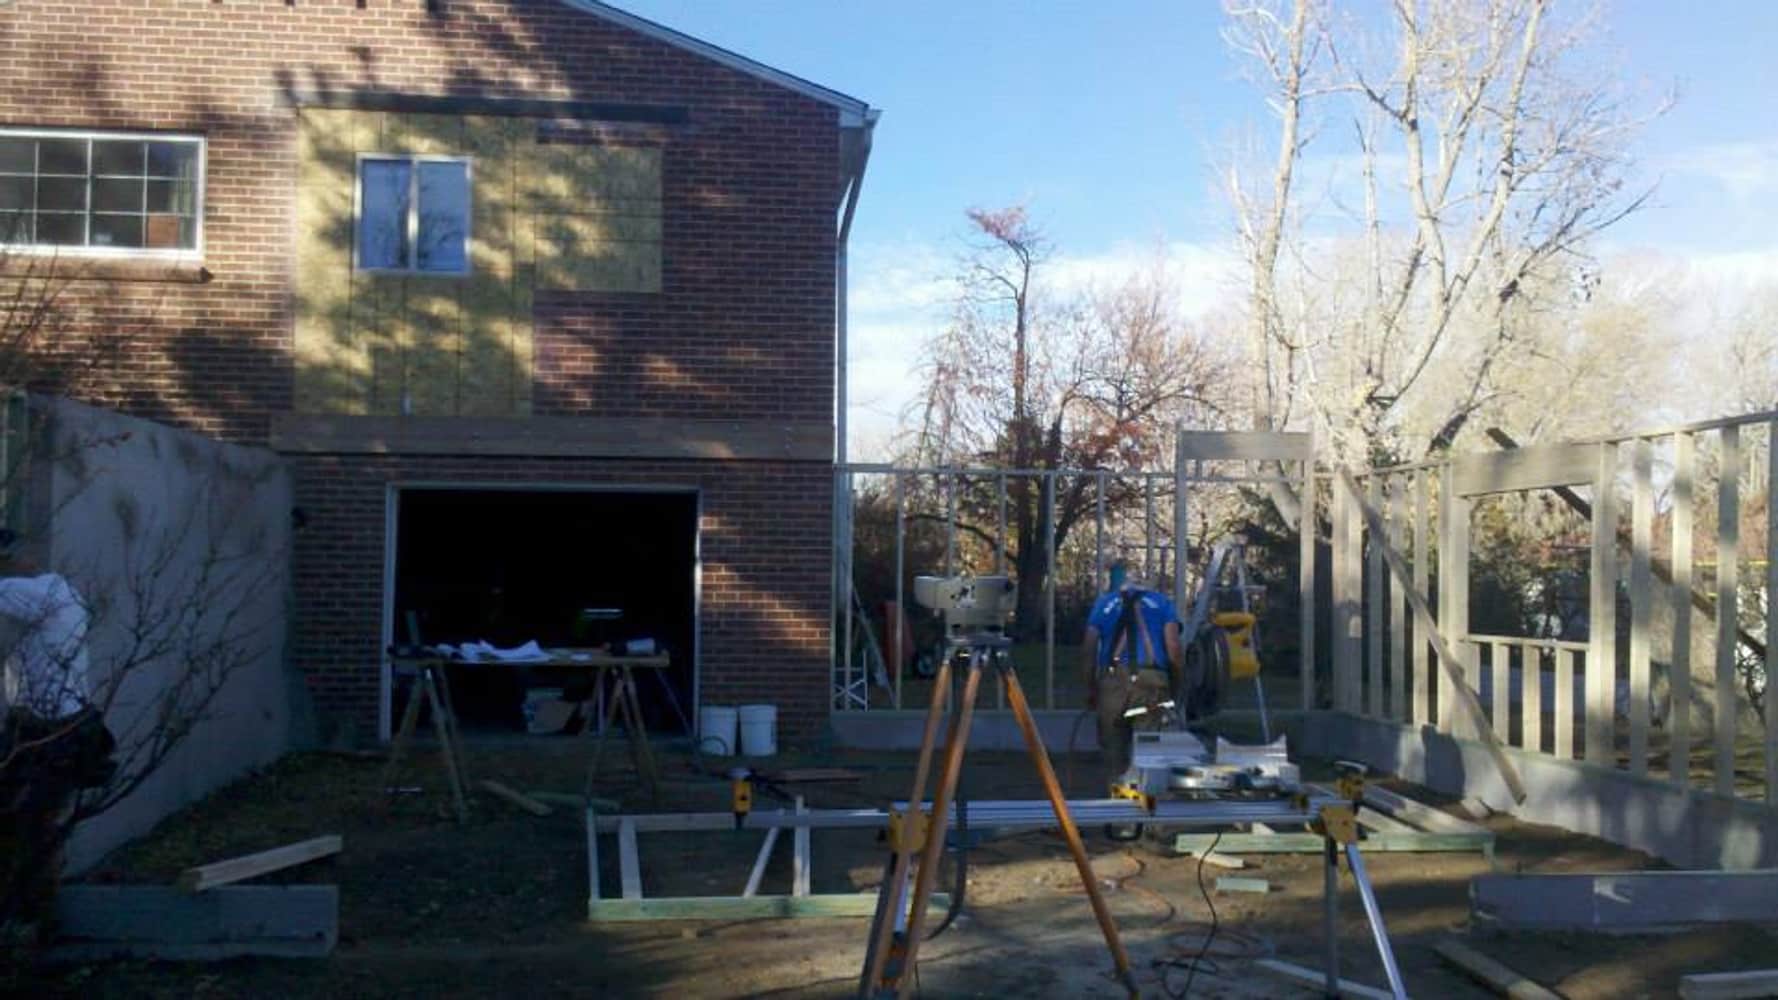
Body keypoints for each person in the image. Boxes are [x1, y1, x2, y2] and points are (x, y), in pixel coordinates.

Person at [0, 552, 110, 944]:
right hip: (61, 724)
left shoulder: (38, 594)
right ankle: (32, 914)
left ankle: (33, 917)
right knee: (34, 822)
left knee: (32, 822)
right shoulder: (62, 596)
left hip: (50, 729)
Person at [1081, 562, 1183, 781]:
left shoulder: (1103, 604)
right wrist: (1176, 683)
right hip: (1151, 682)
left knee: (1113, 749)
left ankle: (1114, 803)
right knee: (1146, 748)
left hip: (1112, 683)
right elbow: (1174, 649)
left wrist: (1091, 688)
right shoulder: (1162, 603)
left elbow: (1088, 649)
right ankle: (1143, 801)